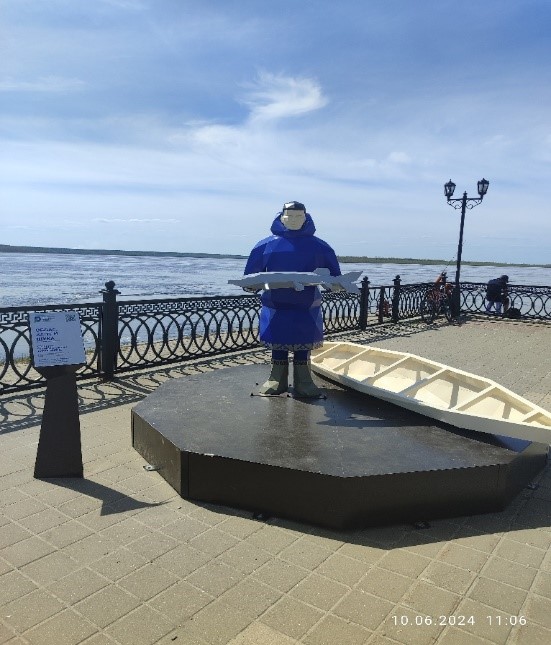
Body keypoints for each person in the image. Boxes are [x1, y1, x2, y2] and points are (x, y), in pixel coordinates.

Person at [243, 201, 342, 397]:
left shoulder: (320, 247)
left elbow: (334, 277)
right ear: (281, 217)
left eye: (299, 216)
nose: (294, 220)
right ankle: (276, 379)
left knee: (303, 346)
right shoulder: (264, 246)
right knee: (277, 344)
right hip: (275, 307)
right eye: (290, 216)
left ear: (306, 217)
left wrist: (335, 285)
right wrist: (250, 285)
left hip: (307, 307)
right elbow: (249, 277)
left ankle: (304, 381)